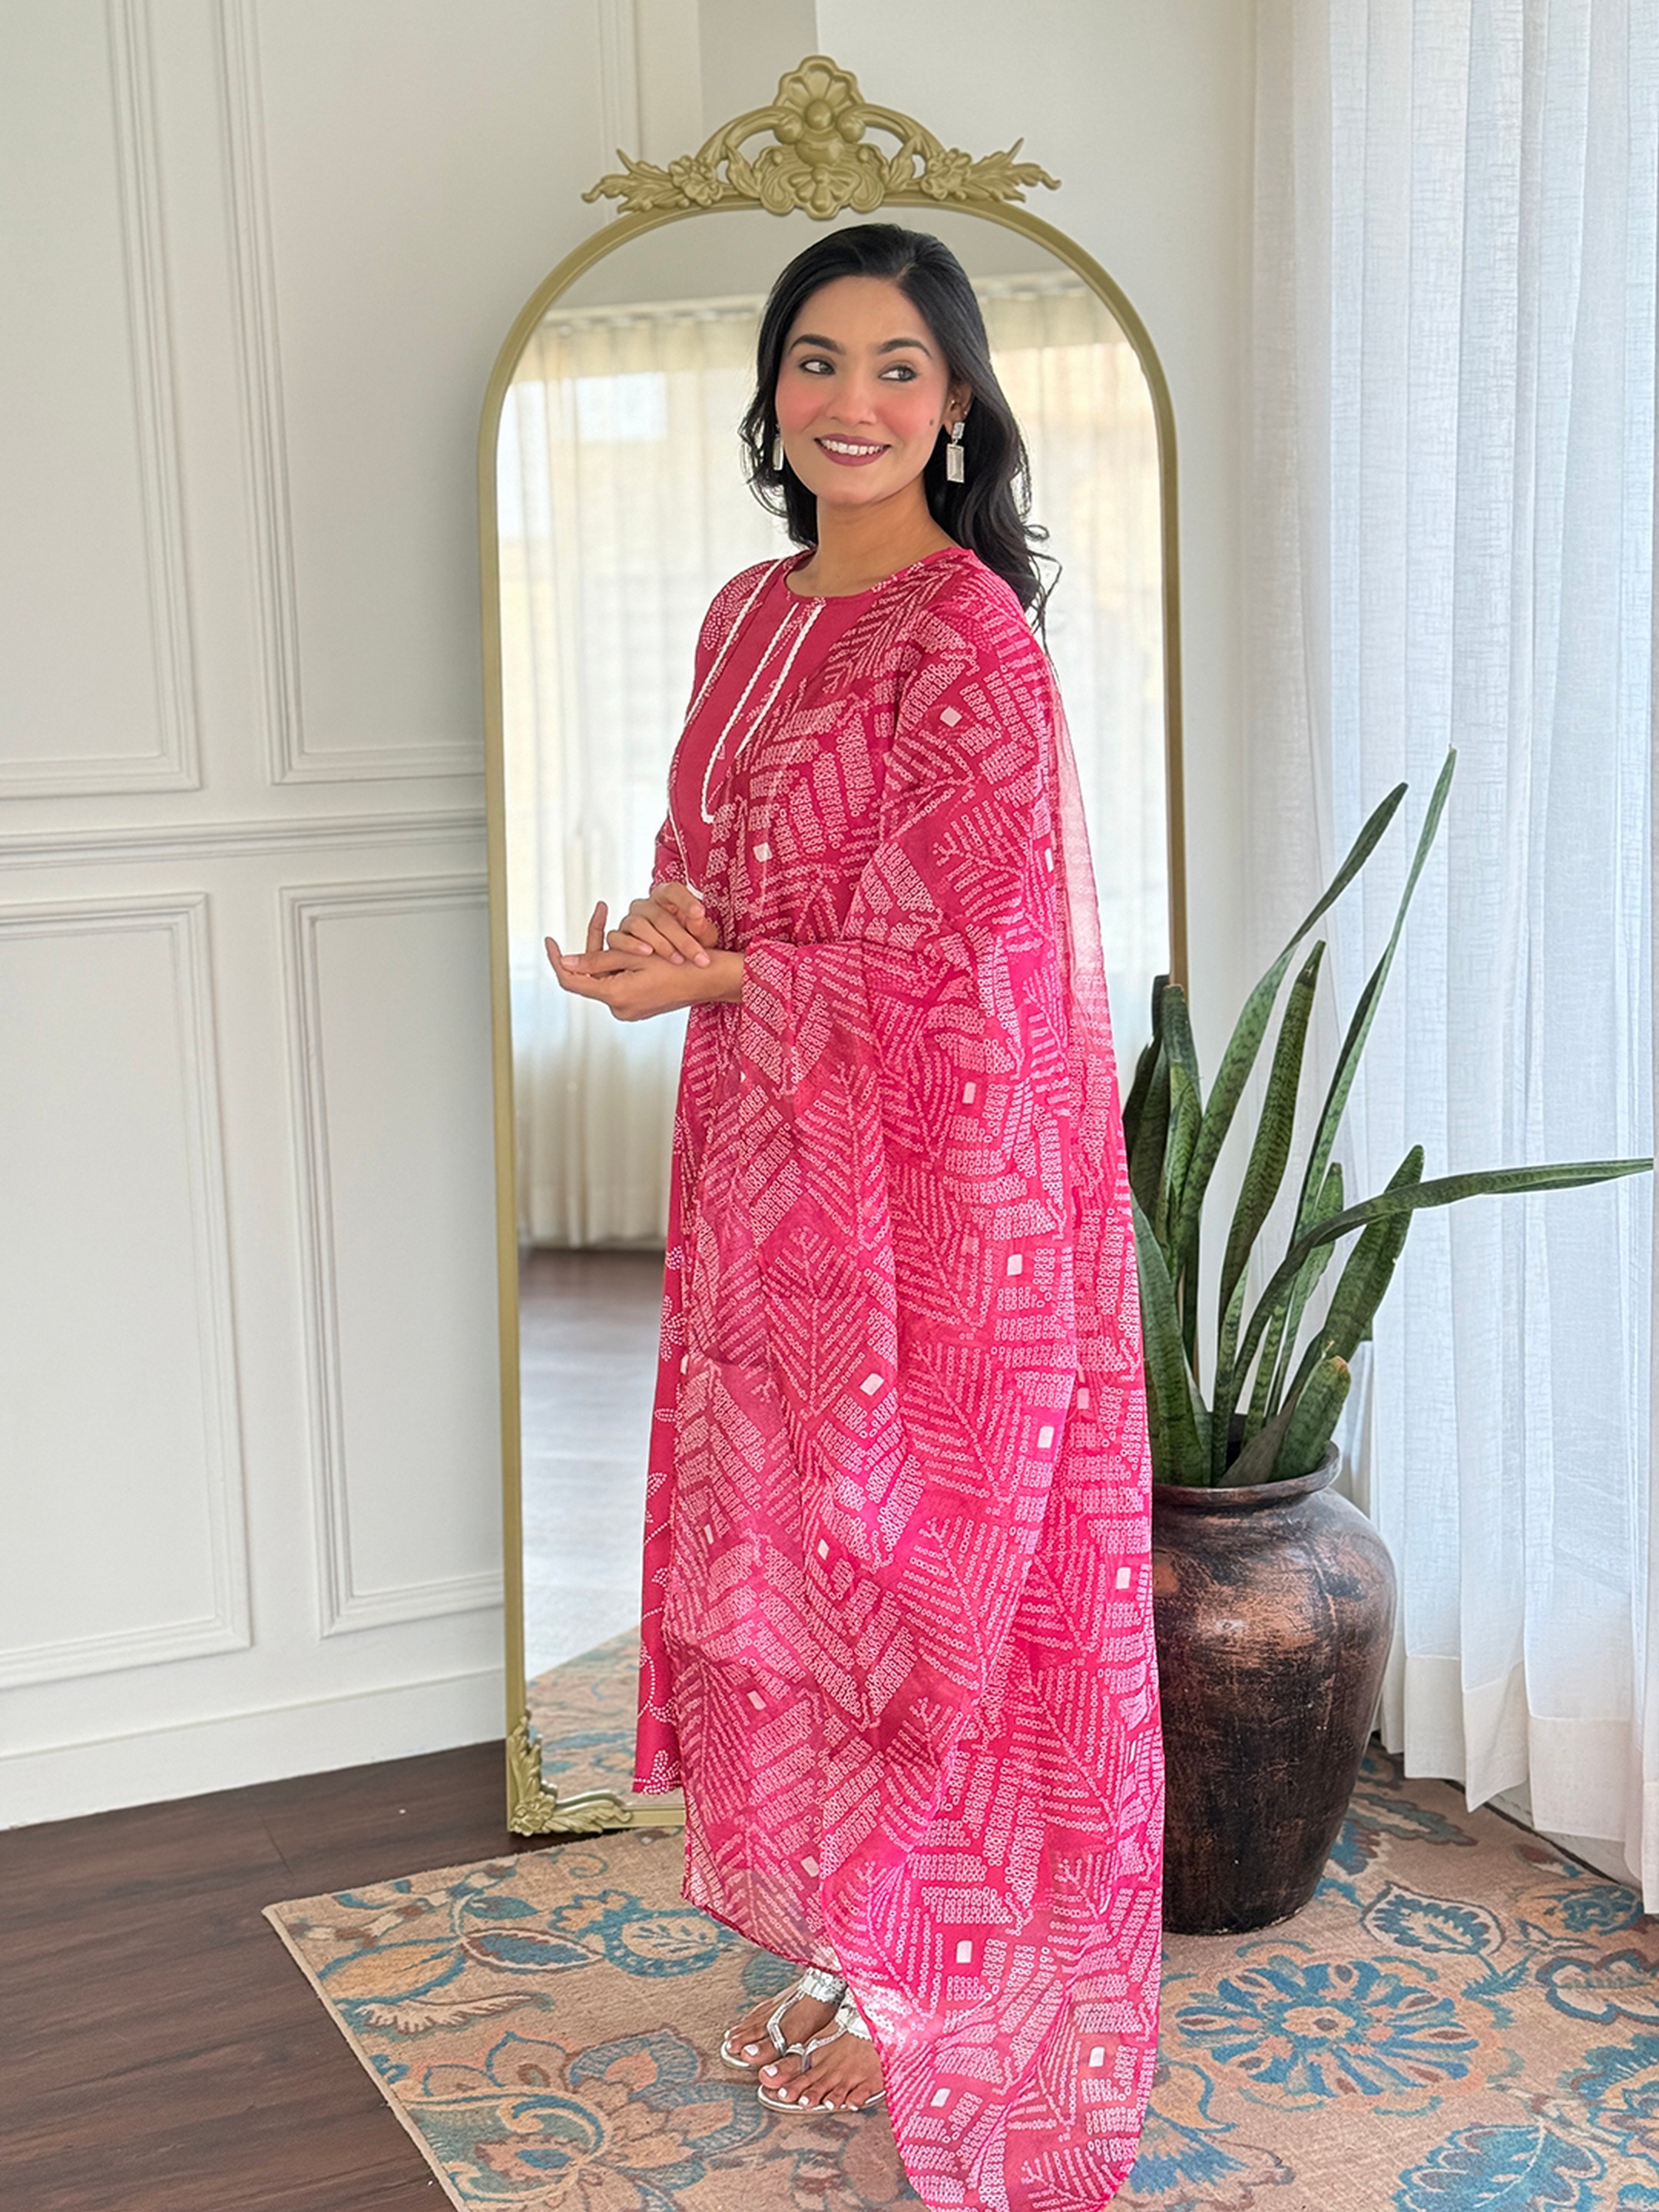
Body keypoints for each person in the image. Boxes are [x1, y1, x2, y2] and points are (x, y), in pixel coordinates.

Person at [545, 221, 1162, 2212]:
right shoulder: (745, 612)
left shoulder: (970, 638)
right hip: (767, 1169)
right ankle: (848, 1945)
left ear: (957, 402)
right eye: (819, 360)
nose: (856, 401)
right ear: (773, 390)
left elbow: (967, 957)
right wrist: (672, 931)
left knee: (928, 1579)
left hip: (940, 1203)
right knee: (796, 1562)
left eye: (901, 366)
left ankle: (938, 1984)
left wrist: (728, 978)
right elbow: (715, 859)